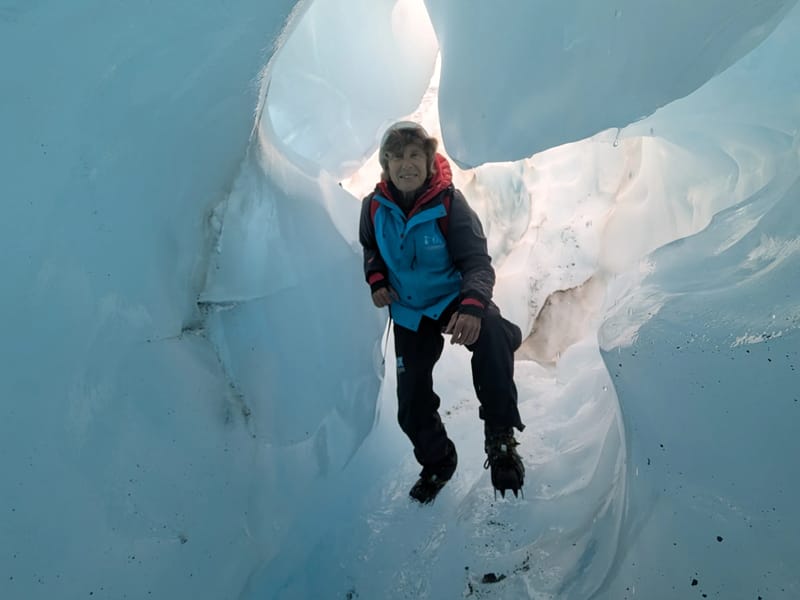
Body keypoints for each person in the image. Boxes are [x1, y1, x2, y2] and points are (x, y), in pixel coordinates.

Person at [359, 121, 525, 503]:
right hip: (409, 312)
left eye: (415, 155)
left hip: (451, 297)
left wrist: (470, 307)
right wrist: (377, 278)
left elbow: (478, 264)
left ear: (430, 161)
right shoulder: (373, 208)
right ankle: (439, 460)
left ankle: (500, 438)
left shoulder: (449, 204)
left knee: (493, 332)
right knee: (411, 406)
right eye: (397, 156)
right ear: (385, 163)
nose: (406, 164)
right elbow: (370, 248)